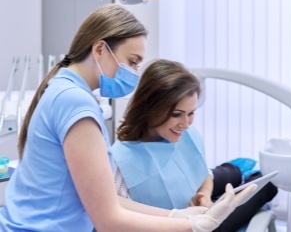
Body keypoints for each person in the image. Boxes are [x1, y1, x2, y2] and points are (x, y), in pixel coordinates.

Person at [0, 4, 256, 232]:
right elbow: (109, 220)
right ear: (100, 48)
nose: (134, 73)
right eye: (132, 62)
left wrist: (176, 215)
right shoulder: (74, 102)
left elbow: (106, 200)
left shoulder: (65, 90)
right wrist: (192, 226)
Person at [112, 59, 278, 232]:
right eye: (176, 114)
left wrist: (205, 194)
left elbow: (204, 174)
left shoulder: (180, 132)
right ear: (150, 107)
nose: (185, 123)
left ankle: (235, 171)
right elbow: (117, 217)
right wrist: (185, 218)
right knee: (267, 184)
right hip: (185, 226)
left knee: (237, 174)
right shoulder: (120, 164)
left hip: (193, 195)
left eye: (191, 113)